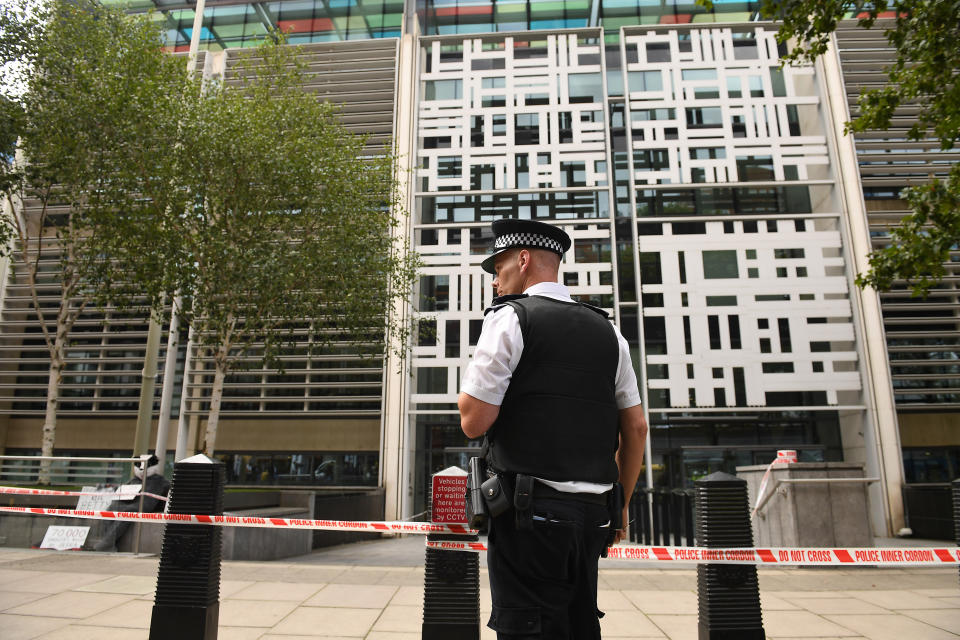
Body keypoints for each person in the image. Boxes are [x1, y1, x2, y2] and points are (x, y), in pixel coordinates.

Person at [459, 218, 648, 639]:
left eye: (498, 268)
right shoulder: (608, 330)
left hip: (530, 518)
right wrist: (620, 508)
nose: (494, 281)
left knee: (527, 629)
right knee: (579, 627)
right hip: (592, 520)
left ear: (523, 260)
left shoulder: (509, 318)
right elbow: (635, 427)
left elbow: (473, 421)